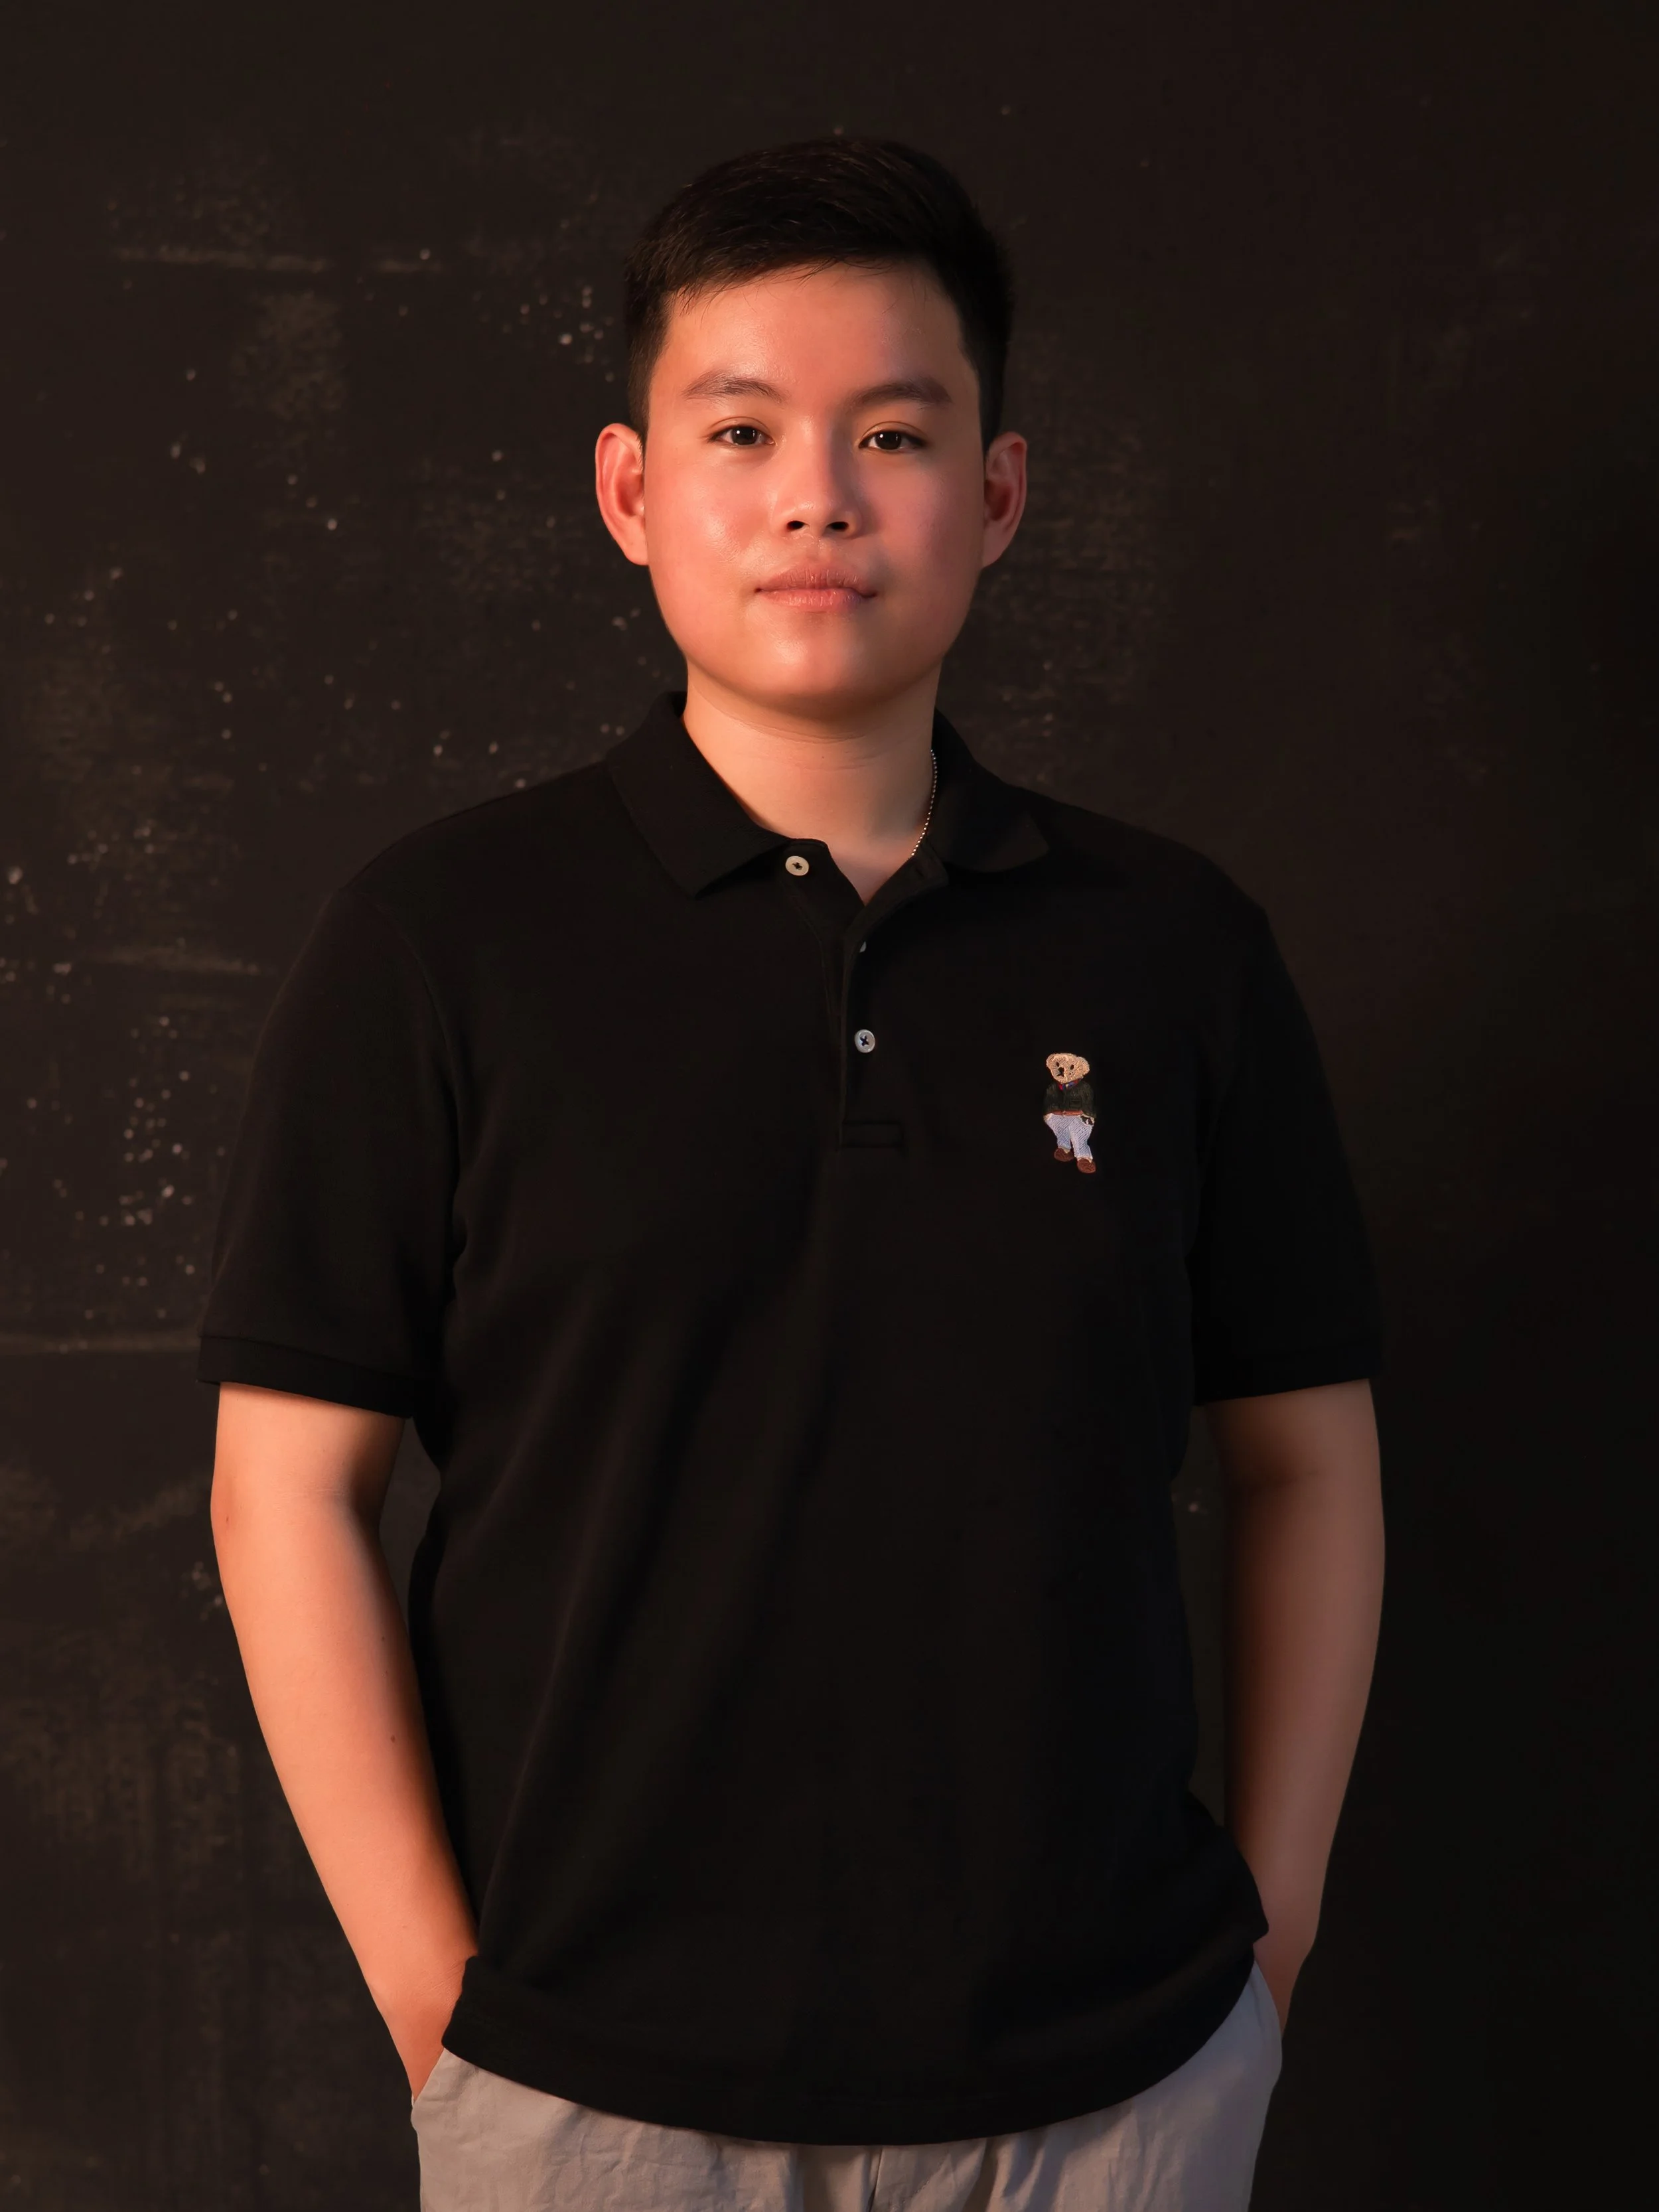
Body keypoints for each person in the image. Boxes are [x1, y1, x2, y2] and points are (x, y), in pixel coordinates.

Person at [201, 136, 1386, 2211]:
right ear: (632, 495)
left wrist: (1262, 1947)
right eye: (739, 427)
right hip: (589, 2093)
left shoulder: (1170, 946)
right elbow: (287, 1478)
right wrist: (434, 1992)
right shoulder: (442, 938)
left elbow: (1304, 1456)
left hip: (1112, 2087)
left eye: (894, 432)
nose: (818, 491)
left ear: (996, 496)